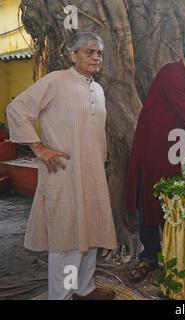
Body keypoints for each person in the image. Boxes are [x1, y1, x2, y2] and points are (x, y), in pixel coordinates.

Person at [6, 31, 117, 300]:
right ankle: (63, 295)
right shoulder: (56, 81)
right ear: (72, 54)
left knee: (91, 232)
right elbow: (16, 109)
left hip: (93, 174)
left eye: (99, 52)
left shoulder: (98, 89)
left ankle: (84, 288)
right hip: (63, 173)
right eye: (89, 51)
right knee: (67, 236)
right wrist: (39, 147)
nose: (96, 57)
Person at [125, 36, 185, 282]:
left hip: (179, 152)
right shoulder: (171, 74)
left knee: (174, 203)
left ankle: (172, 255)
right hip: (155, 149)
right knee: (151, 200)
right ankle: (148, 257)